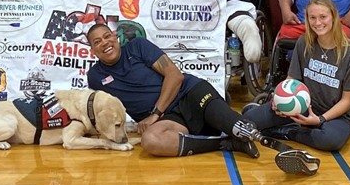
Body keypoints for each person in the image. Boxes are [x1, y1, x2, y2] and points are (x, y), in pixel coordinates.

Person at [85, 24, 320, 175]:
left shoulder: (137, 47)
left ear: (116, 37)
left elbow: (175, 75)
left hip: (192, 93)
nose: (105, 43)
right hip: (172, 119)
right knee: (151, 142)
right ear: (92, 50)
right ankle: (224, 143)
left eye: (108, 36)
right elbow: (104, 112)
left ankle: (278, 140)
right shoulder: (95, 77)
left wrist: (155, 113)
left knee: (241, 127)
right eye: (97, 42)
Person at [242, 0, 350, 152]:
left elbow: (347, 101)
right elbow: (291, 80)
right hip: (303, 106)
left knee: (330, 141)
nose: (318, 23)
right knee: (247, 121)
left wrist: (319, 119)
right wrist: (279, 101)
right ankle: (270, 117)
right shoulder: (303, 43)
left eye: (323, 17)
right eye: (312, 17)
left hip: (338, 117)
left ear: (334, 17)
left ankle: (289, 132)